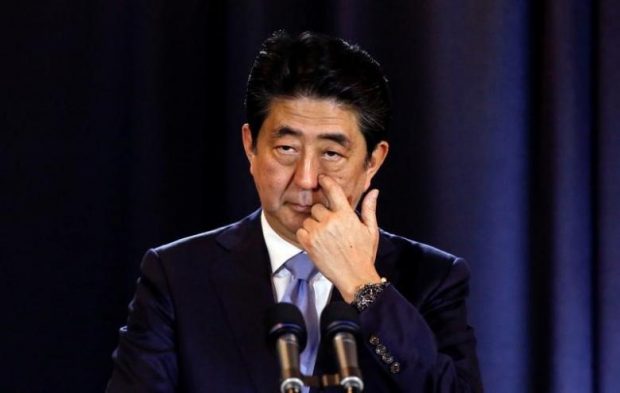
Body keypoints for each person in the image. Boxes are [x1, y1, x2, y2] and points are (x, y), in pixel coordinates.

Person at [107, 30, 483, 393]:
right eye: (286, 148)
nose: (305, 179)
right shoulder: (177, 276)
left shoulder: (431, 279)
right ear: (250, 147)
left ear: (372, 161)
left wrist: (364, 287)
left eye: (331, 154)